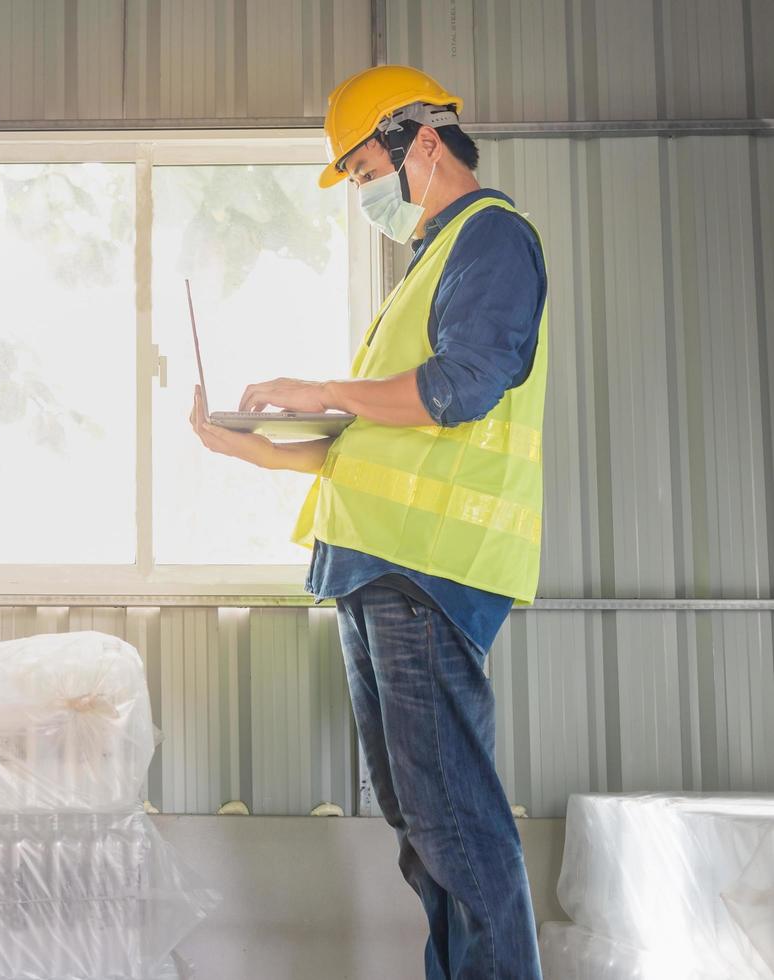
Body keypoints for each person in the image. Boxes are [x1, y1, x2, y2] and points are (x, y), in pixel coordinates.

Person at [189, 64, 549, 980]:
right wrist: (254, 448)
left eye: (359, 172)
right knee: (423, 825)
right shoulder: (429, 263)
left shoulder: (492, 239)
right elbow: (375, 447)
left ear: (420, 142)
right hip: (374, 570)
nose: (360, 194)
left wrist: (318, 388)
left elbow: (461, 388)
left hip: (422, 573)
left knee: (451, 822)